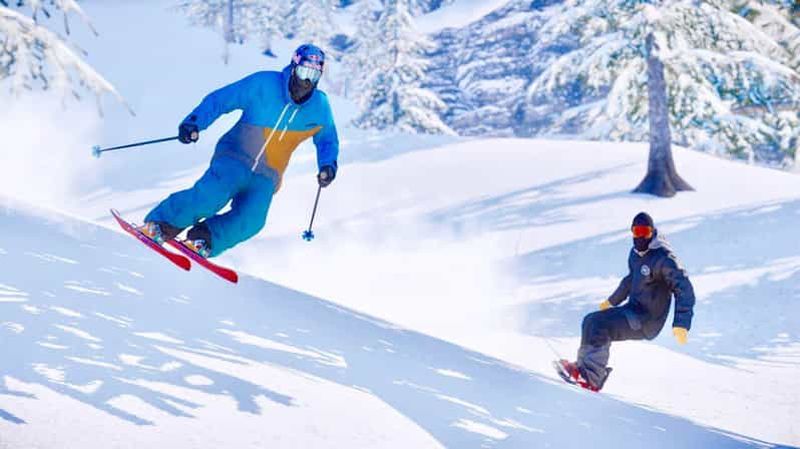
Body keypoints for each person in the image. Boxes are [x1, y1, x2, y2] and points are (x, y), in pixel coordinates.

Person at [140, 44, 338, 258]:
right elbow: (222, 99)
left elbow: (327, 138)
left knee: (252, 220)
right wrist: (194, 123)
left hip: (268, 175)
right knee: (211, 197)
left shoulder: (319, 106)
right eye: (304, 72)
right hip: (235, 156)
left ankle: (204, 239)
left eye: (314, 74)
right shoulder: (263, 84)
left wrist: (328, 165)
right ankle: (160, 224)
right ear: (294, 66)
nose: (307, 81)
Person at [558, 212, 696, 391]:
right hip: (633, 310)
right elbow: (630, 280)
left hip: (647, 320)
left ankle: (591, 378)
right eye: (636, 232)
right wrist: (611, 302)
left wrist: (681, 323)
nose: (640, 237)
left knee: (600, 324)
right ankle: (583, 369)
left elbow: (684, 289)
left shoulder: (664, 259)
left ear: (652, 233)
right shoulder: (636, 254)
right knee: (591, 320)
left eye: (644, 232)